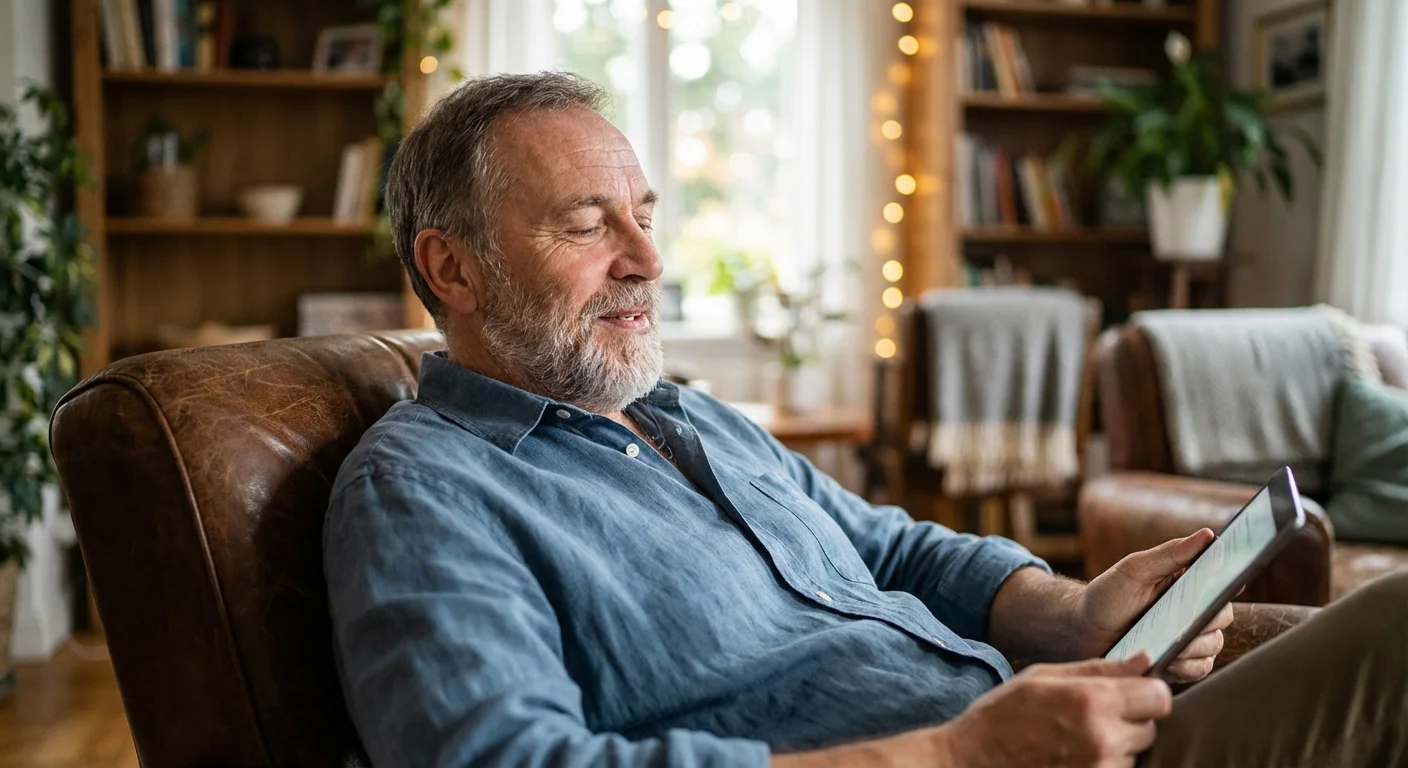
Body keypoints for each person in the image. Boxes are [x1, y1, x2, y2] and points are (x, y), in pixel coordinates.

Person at [324, 72, 1408, 767]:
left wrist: (1068, 613)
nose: (649, 262)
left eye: (646, 218)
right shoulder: (424, 488)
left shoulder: (686, 419)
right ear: (450, 267)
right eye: (585, 224)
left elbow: (889, 545)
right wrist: (951, 758)